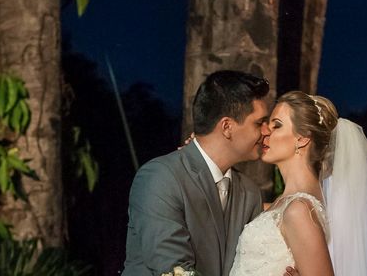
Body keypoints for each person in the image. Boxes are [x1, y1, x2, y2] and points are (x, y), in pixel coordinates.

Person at [123, 70, 288, 276]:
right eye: (259, 123)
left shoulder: (249, 192)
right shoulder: (160, 177)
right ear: (227, 126)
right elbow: (174, 270)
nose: (266, 131)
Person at [229, 91, 367, 276]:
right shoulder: (285, 206)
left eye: (276, 125)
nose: (265, 132)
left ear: (302, 138)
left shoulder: (299, 210)